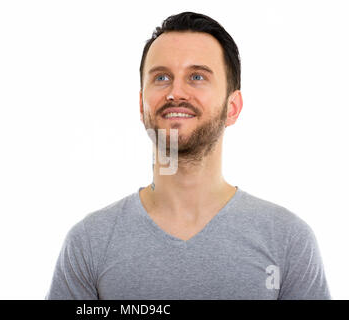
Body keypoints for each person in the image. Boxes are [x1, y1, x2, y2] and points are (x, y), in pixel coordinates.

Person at [46, 11, 331, 300]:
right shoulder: (89, 243)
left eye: (197, 76)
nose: (176, 92)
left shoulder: (288, 240)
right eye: (161, 77)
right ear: (141, 104)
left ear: (232, 107)